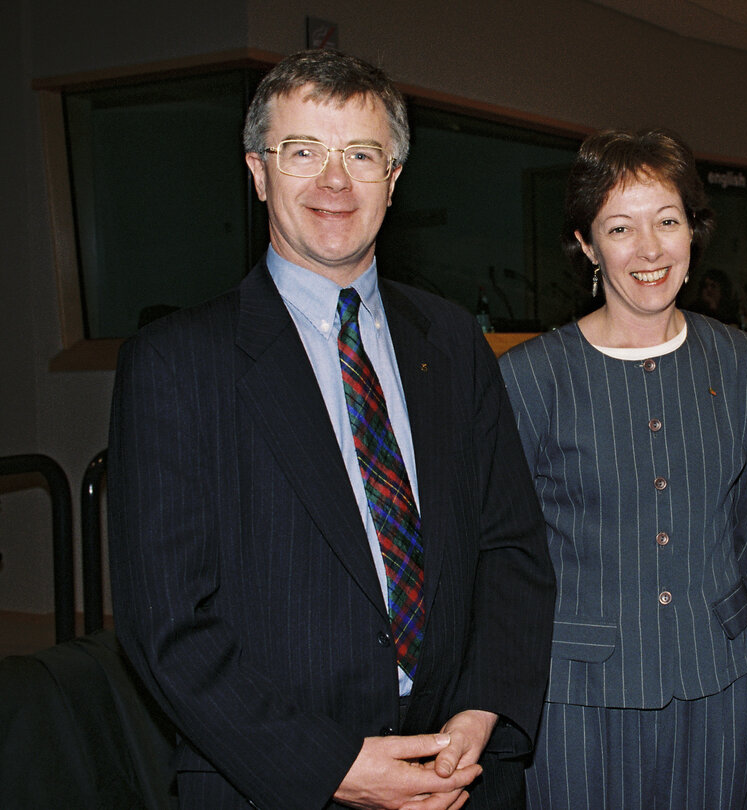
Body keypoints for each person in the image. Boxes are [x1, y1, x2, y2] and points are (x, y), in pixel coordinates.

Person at [108, 49, 556, 810]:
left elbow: (510, 548)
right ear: (257, 172)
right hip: (273, 784)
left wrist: (483, 711)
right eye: (302, 151)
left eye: (361, 154)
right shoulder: (173, 364)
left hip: (462, 777)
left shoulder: (451, 340)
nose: (334, 181)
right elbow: (168, 628)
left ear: (395, 177)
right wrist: (331, 765)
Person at [498, 128, 747, 809]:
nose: (650, 250)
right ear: (589, 246)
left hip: (719, 682)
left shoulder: (742, 363)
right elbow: (508, 555)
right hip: (577, 700)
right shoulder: (529, 378)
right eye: (621, 227)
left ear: (693, 233)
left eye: (668, 222)